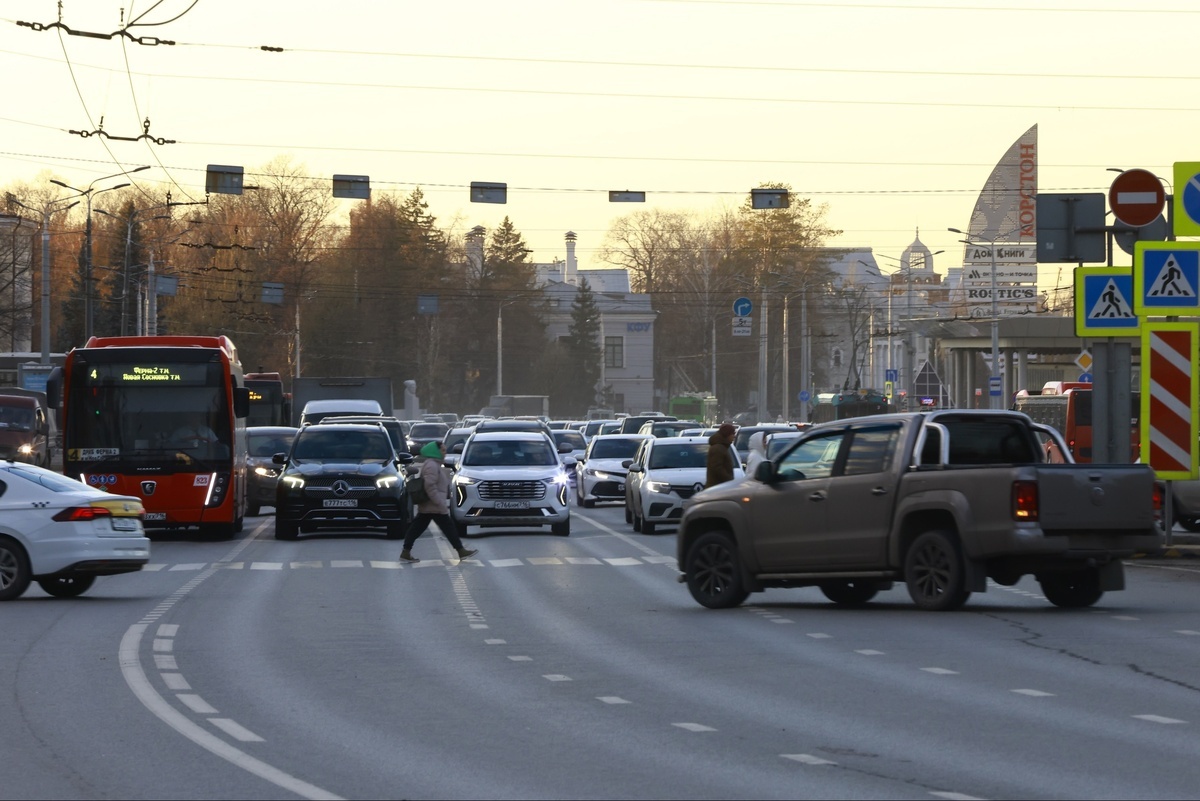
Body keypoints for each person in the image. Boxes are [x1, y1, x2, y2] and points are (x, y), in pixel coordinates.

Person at [400, 440, 478, 563]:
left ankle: (406, 551)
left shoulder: (434, 464)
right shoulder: (432, 465)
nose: (445, 452)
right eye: (442, 450)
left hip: (430, 505)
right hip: (433, 505)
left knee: (417, 528)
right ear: (435, 451)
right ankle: (460, 550)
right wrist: (439, 502)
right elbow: (429, 486)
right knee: (448, 527)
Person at [705, 422, 737, 488]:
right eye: (733, 433)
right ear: (727, 434)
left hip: (719, 487)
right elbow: (717, 468)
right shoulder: (718, 448)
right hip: (717, 488)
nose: (734, 436)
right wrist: (729, 479)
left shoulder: (722, 447)